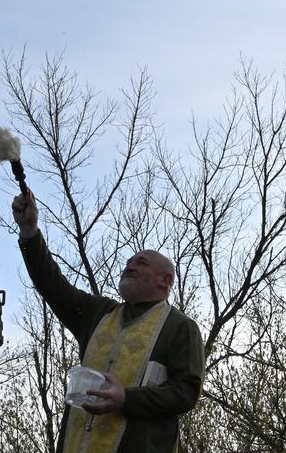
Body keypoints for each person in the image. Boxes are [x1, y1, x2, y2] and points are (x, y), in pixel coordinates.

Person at [12, 191, 205, 453]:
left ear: (166, 280)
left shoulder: (180, 327)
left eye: (141, 263)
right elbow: (52, 285)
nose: (130, 266)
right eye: (127, 263)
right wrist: (30, 231)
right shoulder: (97, 313)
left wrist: (127, 398)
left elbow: (186, 392)